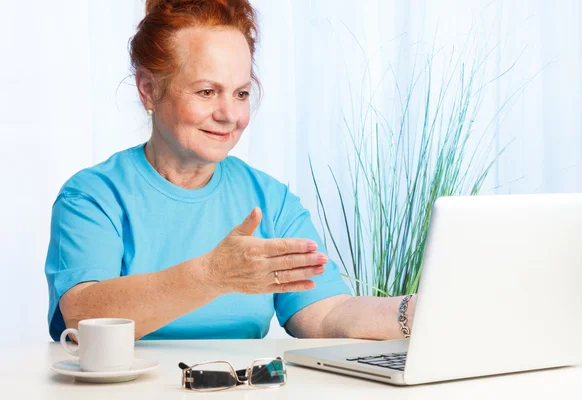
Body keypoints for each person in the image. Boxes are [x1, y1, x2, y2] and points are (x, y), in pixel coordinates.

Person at [44, 0, 415, 342]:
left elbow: (325, 312)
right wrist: (211, 275)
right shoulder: (94, 195)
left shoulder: (269, 198)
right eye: (207, 92)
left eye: (240, 94)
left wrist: (415, 312)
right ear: (148, 89)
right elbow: (82, 315)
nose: (230, 116)